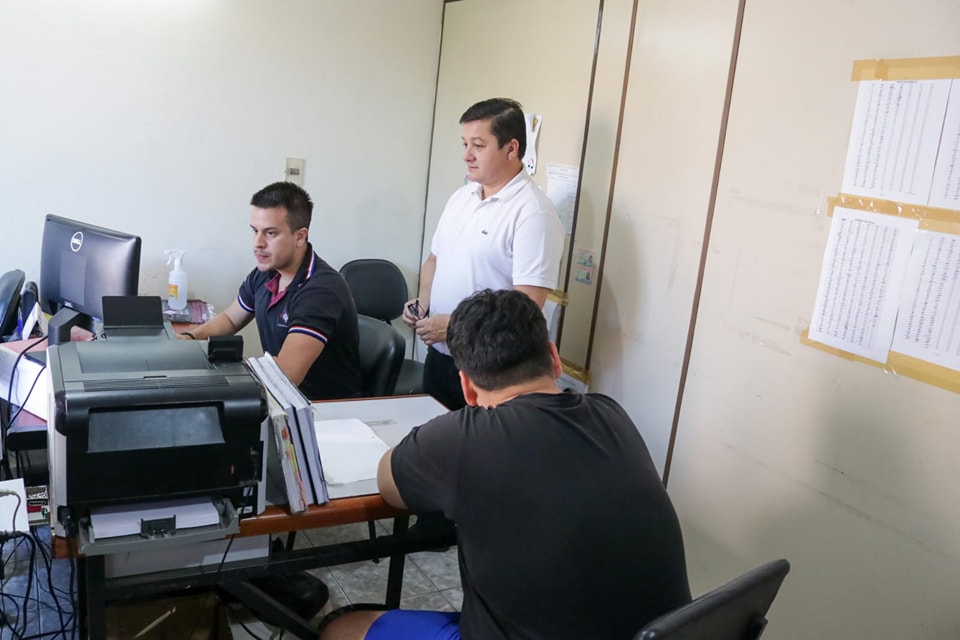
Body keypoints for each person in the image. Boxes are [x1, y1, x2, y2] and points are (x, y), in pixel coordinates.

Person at [321, 289, 691, 640]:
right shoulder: (612, 414)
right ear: (554, 357)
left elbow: (389, 484)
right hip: (661, 633)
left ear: (466, 387)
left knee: (344, 628)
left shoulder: (460, 440)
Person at [403, 97, 565, 411]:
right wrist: (423, 303)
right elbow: (435, 260)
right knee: (434, 445)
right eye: (464, 144)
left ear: (511, 148)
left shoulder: (533, 213)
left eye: (478, 145)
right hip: (440, 357)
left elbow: (526, 306)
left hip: (490, 371)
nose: (466, 156)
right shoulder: (461, 197)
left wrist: (453, 325)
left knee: (472, 455)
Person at [180, 181, 361, 400]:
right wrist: (190, 339)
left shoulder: (321, 289)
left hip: (321, 409)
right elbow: (230, 319)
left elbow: (287, 374)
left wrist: (223, 368)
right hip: (281, 398)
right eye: (255, 231)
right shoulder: (266, 272)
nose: (258, 243)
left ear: (300, 236)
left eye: (270, 233)